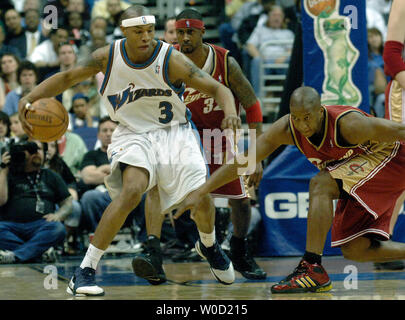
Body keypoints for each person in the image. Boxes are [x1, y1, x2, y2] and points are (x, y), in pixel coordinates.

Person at [18, 5, 241, 296]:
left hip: (174, 132)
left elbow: (218, 89)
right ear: (125, 32)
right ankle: (84, 271)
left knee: (201, 197)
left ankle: (209, 245)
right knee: (132, 190)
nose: (147, 37)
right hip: (132, 132)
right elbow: (66, 78)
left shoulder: (170, 58)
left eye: (150, 31)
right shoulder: (106, 56)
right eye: (139, 32)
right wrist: (29, 97)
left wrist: (230, 114)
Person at [174, 86, 405, 293]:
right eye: (297, 118)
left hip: (395, 160)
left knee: (320, 184)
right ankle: (315, 270)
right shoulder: (287, 128)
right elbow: (244, 161)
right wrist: (202, 190)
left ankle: (311, 267)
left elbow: (400, 130)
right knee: (355, 249)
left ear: (320, 111)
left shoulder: (349, 125)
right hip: (362, 172)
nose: (303, 125)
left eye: (308, 118)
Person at [132, 9, 266, 286]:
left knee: (241, 200)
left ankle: (239, 250)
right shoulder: (167, 59)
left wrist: (255, 155)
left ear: (202, 32)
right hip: (185, 136)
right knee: (169, 191)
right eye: (180, 32)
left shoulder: (224, 61)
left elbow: (252, 104)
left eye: (190, 32)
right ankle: (180, 247)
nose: (184, 37)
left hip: (220, 135)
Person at [0, 138, 71, 264]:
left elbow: (68, 202)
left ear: (45, 154)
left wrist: (59, 215)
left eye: (38, 149)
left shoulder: (51, 175)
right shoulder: (9, 174)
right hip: (11, 227)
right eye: (31, 149)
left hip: (41, 226)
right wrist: (4, 169)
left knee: (58, 228)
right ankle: (39, 252)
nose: (36, 153)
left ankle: (16, 255)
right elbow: (1, 200)